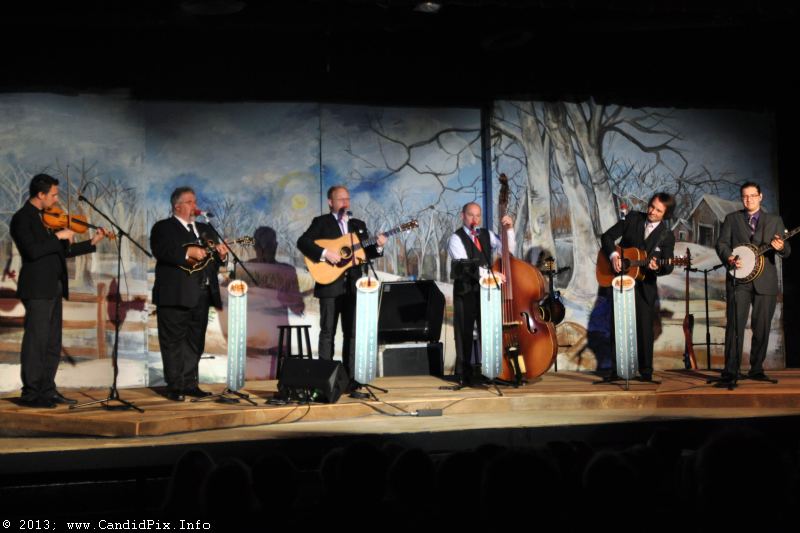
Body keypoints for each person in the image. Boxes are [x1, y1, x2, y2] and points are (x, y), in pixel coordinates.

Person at [9, 173, 109, 408]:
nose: (56, 199)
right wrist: (58, 236)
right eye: (53, 195)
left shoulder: (48, 217)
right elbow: (32, 251)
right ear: (40, 194)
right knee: (37, 341)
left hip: (54, 286)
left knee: (53, 341)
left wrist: (91, 242)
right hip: (37, 288)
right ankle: (31, 393)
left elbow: (61, 251)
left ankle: (47, 389)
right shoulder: (22, 218)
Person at [296, 185, 386, 381]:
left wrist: (378, 247)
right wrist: (325, 253)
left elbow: (366, 252)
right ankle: (325, 380)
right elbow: (303, 242)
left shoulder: (357, 224)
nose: (346, 202)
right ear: (330, 202)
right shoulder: (321, 222)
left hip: (353, 286)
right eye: (341, 199)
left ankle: (350, 379)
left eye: (348, 199)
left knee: (352, 333)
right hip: (329, 284)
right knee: (327, 332)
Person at [150, 187, 228, 401]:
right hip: (175, 294)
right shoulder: (163, 227)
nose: (195, 206)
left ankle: (190, 384)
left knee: (195, 342)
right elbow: (161, 251)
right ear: (177, 206)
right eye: (190, 202)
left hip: (202, 294)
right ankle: (175, 386)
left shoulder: (205, 229)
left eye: (195, 201)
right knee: (173, 342)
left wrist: (221, 257)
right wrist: (187, 252)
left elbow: (213, 261)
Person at [715, 182, 790, 385]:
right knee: (735, 326)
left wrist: (780, 247)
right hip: (739, 280)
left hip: (765, 281)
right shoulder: (732, 219)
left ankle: (756, 369)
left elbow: (787, 250)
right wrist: (729, 257)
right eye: (745, 196)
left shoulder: (774, 220)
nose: (749, 199)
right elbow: (721, 243)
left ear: (760, 196)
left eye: (753, 195)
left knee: (762, 327)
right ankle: (731, 371)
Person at [600, 192, 676, 381]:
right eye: (651, 206)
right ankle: (618, 370)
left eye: (658, 210)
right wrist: (614, 256)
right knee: (618, 325)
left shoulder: (667, 235)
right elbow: (607, 237)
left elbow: (668, 266)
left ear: (666, 214)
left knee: (644, 328)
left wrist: (658, 267)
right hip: (621, 279)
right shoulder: (633, 218)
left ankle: (645, 371)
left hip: (645, 285)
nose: (652, 211)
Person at [447, 201, 514, 386]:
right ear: (463, 216)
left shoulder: (486, 234)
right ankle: (464, 375)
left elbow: (507, 251)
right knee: (464, 333)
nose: (475, 219)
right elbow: (465, 266)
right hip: (465, 292)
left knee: (489, 331)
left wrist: (509, 230)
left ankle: (491, 372)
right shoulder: (455, 238)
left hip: (486, 292)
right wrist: (491, 275)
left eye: (478, 215)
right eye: (471, 215)